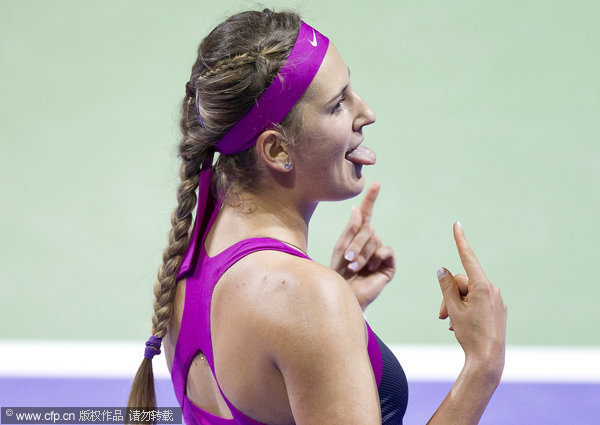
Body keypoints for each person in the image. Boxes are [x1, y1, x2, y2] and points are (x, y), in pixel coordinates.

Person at [128, 9, 507, 425]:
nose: (367, 112)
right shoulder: (304, 299)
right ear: (276, 151)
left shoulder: (195, 257)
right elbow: (289, 311)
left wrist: (336, 311)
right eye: (337, 105)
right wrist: (483, 366)